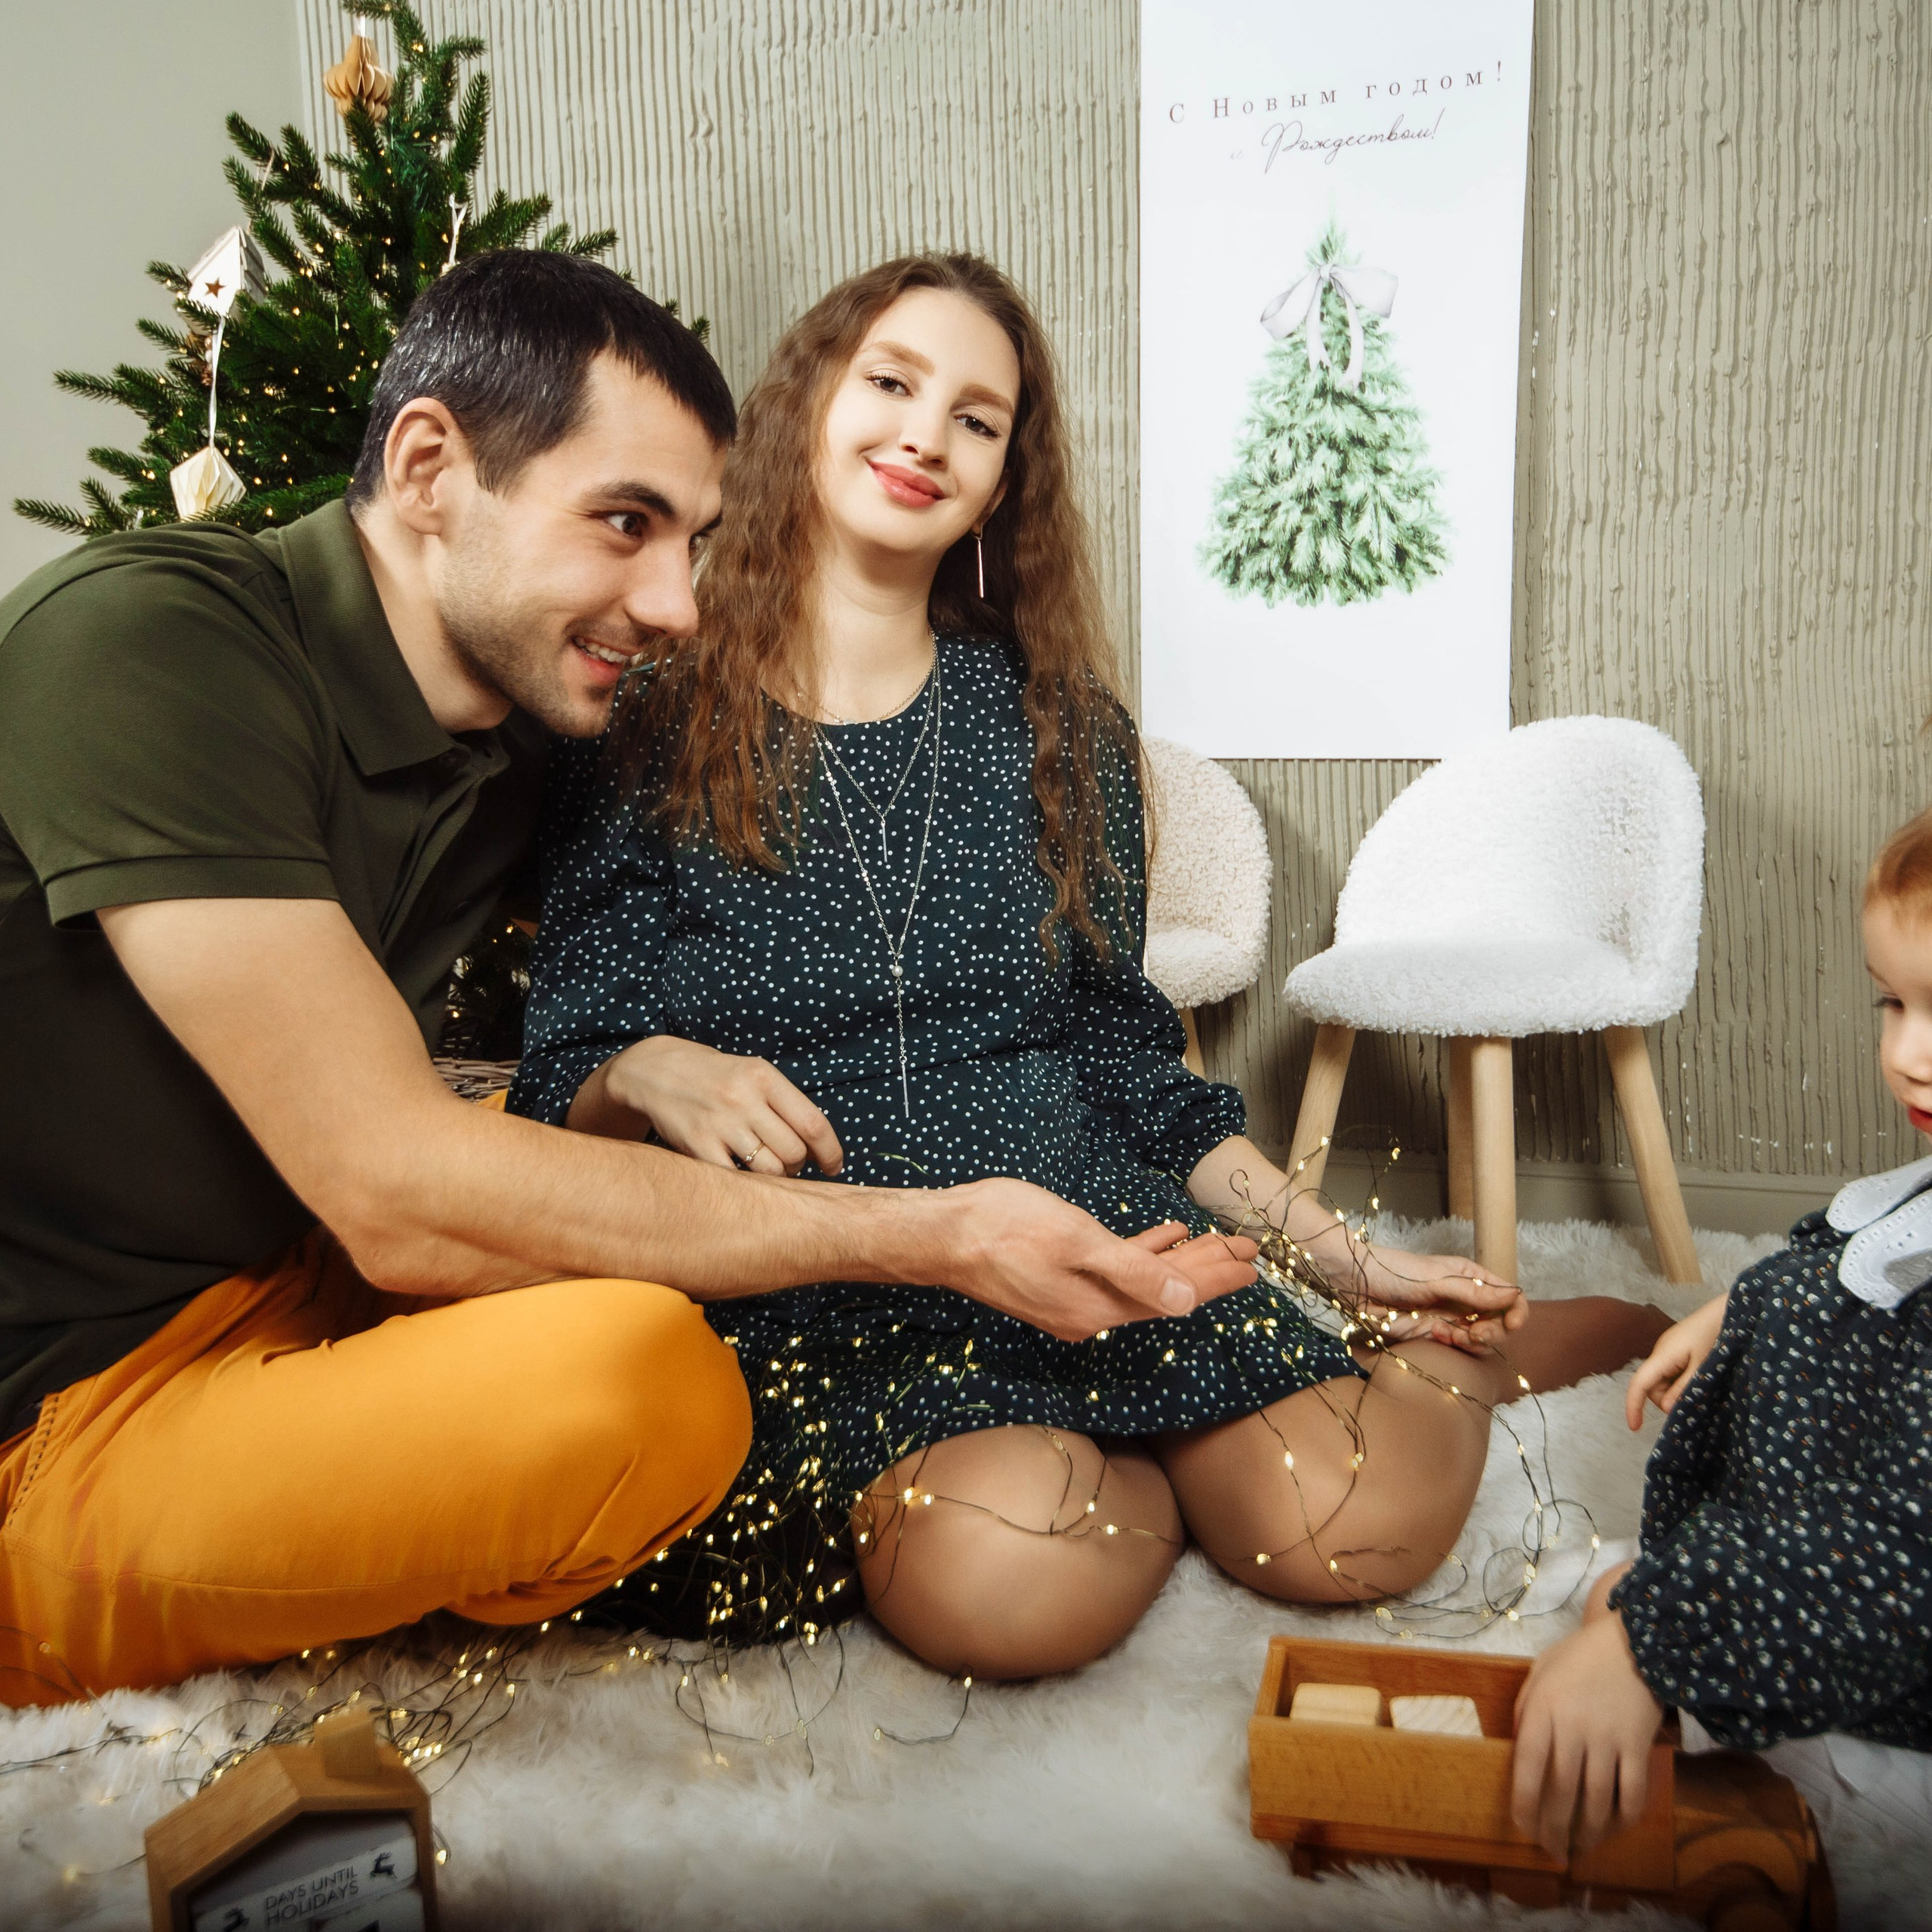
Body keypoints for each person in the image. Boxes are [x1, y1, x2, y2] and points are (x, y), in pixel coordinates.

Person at [0, 250, 1260, 1708]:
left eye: (695, 537)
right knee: (640, 1387)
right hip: (67, 1409)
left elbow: (573, 1015)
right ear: (427, 468)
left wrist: (645, 1070)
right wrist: (933, 1233)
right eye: (623, 524)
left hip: (304, 1292)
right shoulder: (145, 644)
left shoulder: (512, 724)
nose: (672, 600)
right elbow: (399, 1189)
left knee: (681, 1357)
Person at [511, 252, 1667, 1675]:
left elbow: (1131, 1065)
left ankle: (1448, 1353)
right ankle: (1162, 1464)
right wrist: (647, 1064)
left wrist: (1347, 1255)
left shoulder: (1058, 727)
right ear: (807, 401)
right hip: (825, 1285)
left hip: (1097, 1242)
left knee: (1345, 1532)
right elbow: (552, 1076)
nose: (925, 435)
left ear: (1006, 482)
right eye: (890, 382)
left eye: (978, 417)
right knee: (999, 1584)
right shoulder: (643, 715)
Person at [1512, 808, 1932, 1858]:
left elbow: (1892, 1564)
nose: (1910, 1054)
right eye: (1893, 1003)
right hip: (1792, 1519)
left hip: (1875, 1654)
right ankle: (1687, 1577)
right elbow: (1862, 1244)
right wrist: (1742, 1307)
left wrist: (1658, 1643)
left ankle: (1693, 1615)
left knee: (1633, 1660)